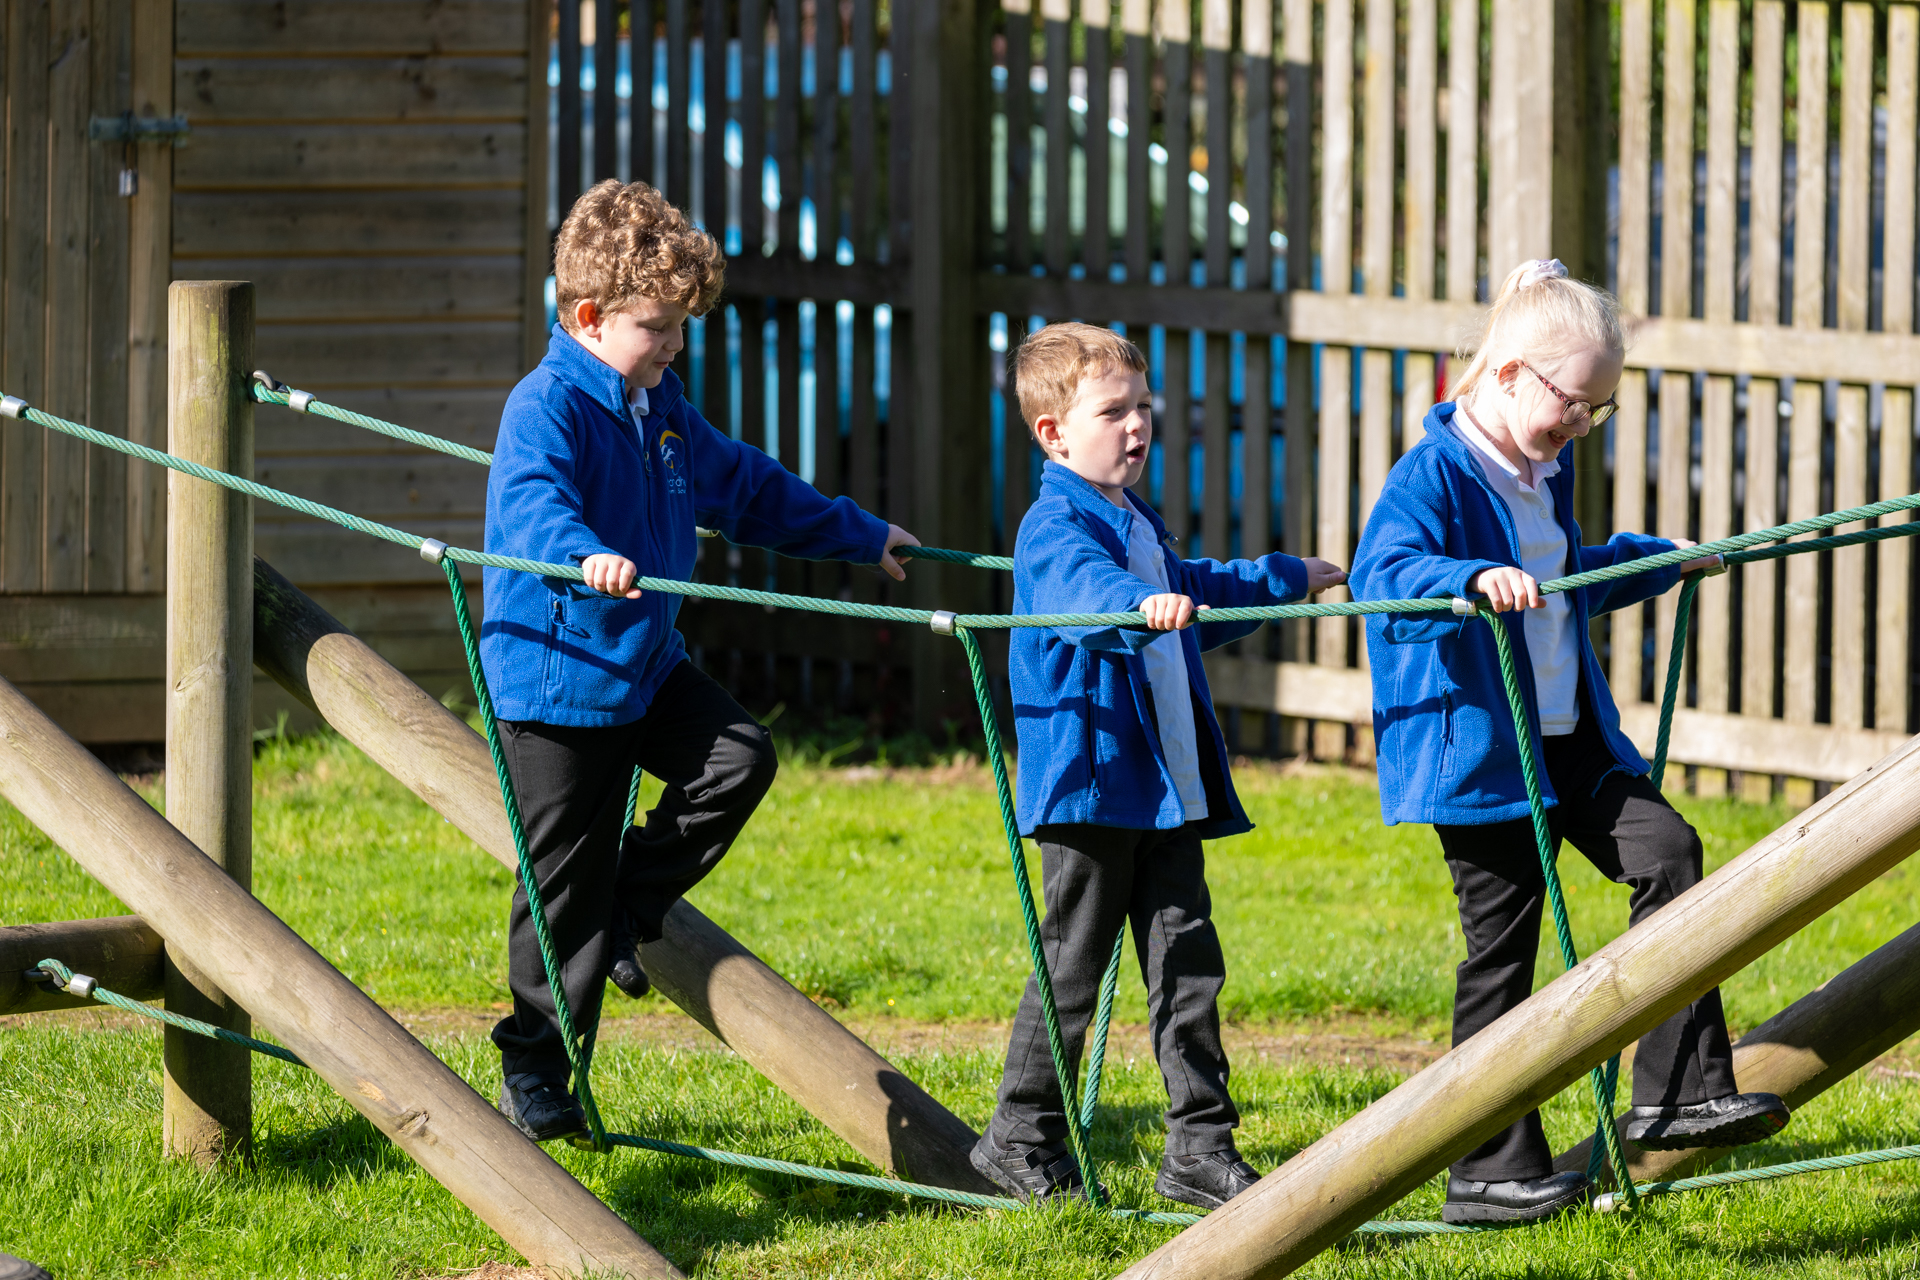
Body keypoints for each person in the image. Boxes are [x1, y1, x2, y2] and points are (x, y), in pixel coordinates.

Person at [1350, 259, 1791, 1225]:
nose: (1581, 423)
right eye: (1571, 402)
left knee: (1671, 856)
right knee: (1502, 956)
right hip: (1481, 755)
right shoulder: (1434, 475)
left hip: (1568, 736)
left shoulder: (1544, 470)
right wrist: (1466, 579)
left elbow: (1569, 572)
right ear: (1505, 373)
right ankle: (1486, 1168)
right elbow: (1384, 570)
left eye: (1599, 407)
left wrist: (1656, 563)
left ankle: (1676, 1092)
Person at [481, 180, 920, 1141]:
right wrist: (580, 552)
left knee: (738, 758)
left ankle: (637, 899)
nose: (676, 345)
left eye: (682, 328)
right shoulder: (546, 405)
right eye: (659, 327)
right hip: (557, 680)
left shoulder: (661, 405)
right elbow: (531, 508)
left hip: (642, 663)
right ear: (590, 317)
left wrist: (858, 535)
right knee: (562, 891)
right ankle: (538, 1067)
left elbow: (747, 488)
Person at [974, 322, 1348, 1209]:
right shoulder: (1054, 524)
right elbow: (1080, 598)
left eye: (1144, 407)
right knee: (1072, 967)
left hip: (1166, 792)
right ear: (1053, 434)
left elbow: (1201, 592)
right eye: (1114, 412)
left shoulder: (1136, 518)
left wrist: (1292, 574)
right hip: (1097, 787)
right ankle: (1019, 1139)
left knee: (1188, 966)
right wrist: (1138, 604)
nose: (1138, 426)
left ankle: (1199, 1147)